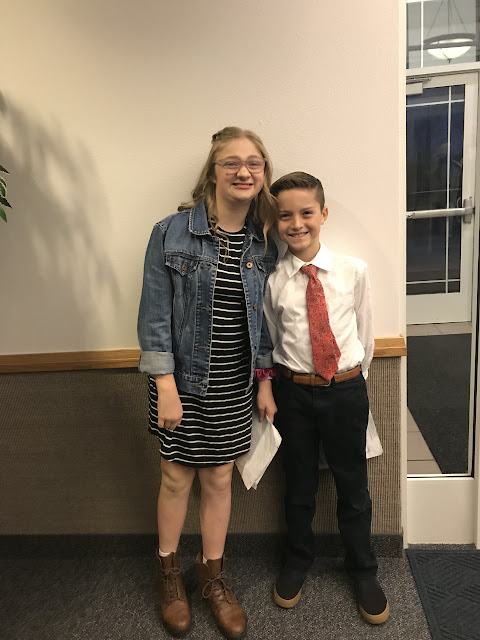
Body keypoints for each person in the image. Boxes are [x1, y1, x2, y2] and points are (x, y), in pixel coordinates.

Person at [137, 126, 278, 639]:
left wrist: (264, 382)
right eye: (231, 162)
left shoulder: (265, 240)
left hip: (234, 385)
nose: (243, 171)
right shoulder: (170, 232)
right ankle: (170, 575)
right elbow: (154, 316)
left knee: (219, 480)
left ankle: (212, 578)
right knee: (176, 479)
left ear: (263, 173)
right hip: (180, 384)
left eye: (254, 163)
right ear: (212, 172)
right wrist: (165, 386)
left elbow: (264, 322)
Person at [261, 171, 389, 625]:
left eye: (306, 213)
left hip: (346, 390)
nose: (296, 224)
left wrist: (351, 383)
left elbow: (366, 335)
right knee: (299, 485)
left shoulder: (354, 271)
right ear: (276, 222)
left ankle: (363, 568)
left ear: (323, 214)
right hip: (293, 394)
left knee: (353, 486)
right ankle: (298, 559)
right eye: (285, 216)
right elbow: (273, 340)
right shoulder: (274, 281)